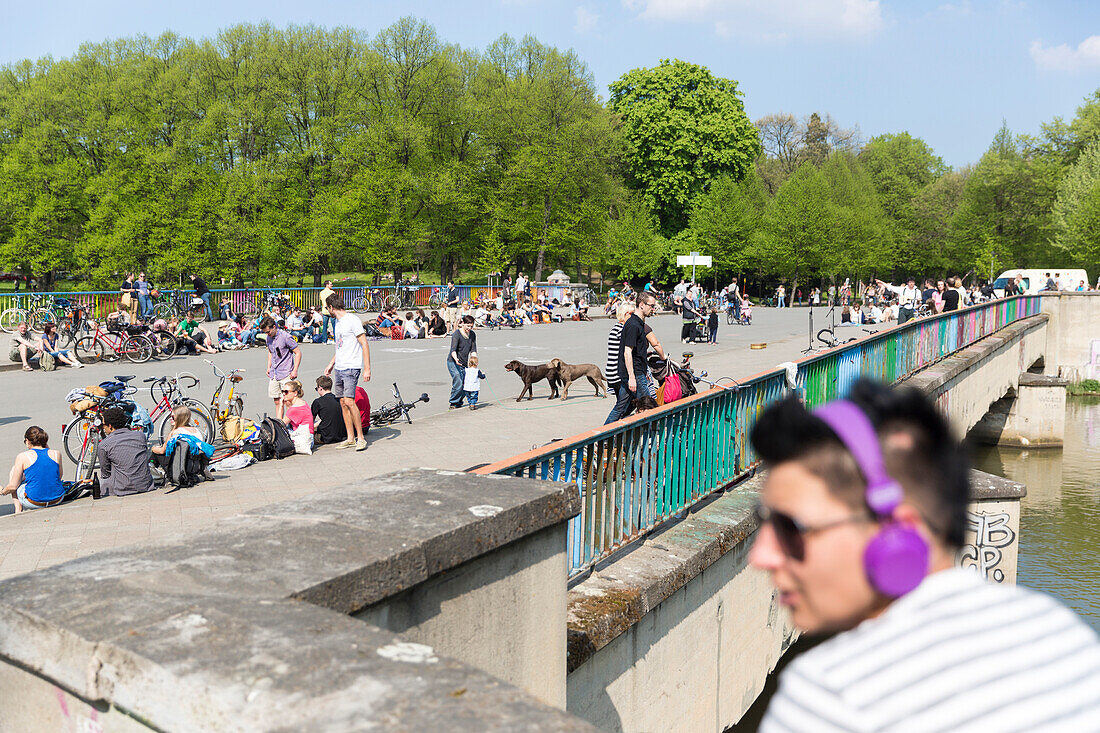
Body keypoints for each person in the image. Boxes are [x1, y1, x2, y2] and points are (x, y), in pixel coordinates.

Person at [748, 379, 1100, 731]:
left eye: (791, 527)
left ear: (899, 531)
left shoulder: (829, 695)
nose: (761, 555)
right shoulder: (1062, 632)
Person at [323, 294, 371, 451]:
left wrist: (367, 368)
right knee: (343, 403)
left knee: (350, 401)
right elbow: (340, 346)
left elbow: (364, 343)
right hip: (340, 367)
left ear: (331, 307)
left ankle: (360, 438)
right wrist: (331, 363)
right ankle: (350, 438)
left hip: (352, 366)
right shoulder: (337, 322)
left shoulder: (352, 320)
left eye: (327, 308)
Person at [606, 293, 655, 423]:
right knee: (647, 407)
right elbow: (627, 351)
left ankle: (603, 435)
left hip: (635, 372)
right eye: (651, 306)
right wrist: (632, 377)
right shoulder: (634, 325)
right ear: (642, 305)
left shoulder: (635, 322)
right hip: (635, 374)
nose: (653, 309)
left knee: (620, 407)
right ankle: (649, 439)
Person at [2, 426, 65, 512]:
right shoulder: (56, 453)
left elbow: (13, 486)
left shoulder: (23, 456)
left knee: (14, 472)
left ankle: (18, 508)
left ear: (27, 441)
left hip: (34, 502)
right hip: (57, 499)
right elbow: (59, 476)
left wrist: (3, 491)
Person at [97, 407, 156, 496]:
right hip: (146, 485)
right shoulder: (140, 436)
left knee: (99, 484)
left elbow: (105, 474)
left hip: (122, 489)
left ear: (110, 426)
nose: (103, 428)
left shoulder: (104, 445)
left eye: (103, 425)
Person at [151, 405, 214, 482]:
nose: (171, 419)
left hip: (179, 467)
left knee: (155, 453)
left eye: (173, 417)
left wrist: (153, 448)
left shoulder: (175, 432)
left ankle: (151, 474)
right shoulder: (196, 430)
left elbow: (162, 451)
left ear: (179, 418)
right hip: (193, 467)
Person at [260, 316, 302, 421]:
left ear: (274, 327)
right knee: (277, 401)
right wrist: (268, 367)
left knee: (288, 401)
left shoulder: (286, 337)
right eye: (265, 332)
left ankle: (290, 423)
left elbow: (298, 352)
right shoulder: (268, 338)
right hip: (274, 373)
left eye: (268, 331)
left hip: (286, 372)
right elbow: (270, 352)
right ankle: (280, 423)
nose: (267, 334)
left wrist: (295, 369)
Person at [603, 302, 633, 421]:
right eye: (632, 314)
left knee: (623, 403)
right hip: (617, 373)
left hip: (612, 371)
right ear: (626, 315)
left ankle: (619, 424)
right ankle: (607, 431)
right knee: (621, 406)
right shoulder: (621, 330)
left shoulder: (617, 328)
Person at [447, 315, 478, 409]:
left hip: (464, 363)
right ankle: (453, 402)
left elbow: (473, 350)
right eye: (467, 326)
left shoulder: (472, 334)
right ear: (463, 324)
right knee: (458, 381)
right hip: (453, 361)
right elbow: (453, 349)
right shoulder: (457, 334)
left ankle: (459, 401)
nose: (469, 328)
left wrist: (474, 362)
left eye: (471, 326)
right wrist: (456, 359)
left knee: (467, 383)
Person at [311, 375, 348, 446]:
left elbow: (310, 421)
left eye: (317, 389)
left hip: (325, 437)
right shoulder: (338, 399)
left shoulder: (317, 402)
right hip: (340, 435)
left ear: (320, 388)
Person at [280, 379, 314, 451]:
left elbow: (279, 425)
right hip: (310, 437)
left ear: (295, 393)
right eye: (282, 391)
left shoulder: (294, 409)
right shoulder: (303, 402)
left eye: (286, 392)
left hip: (303, 441)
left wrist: (281, 405)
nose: (283, 394)